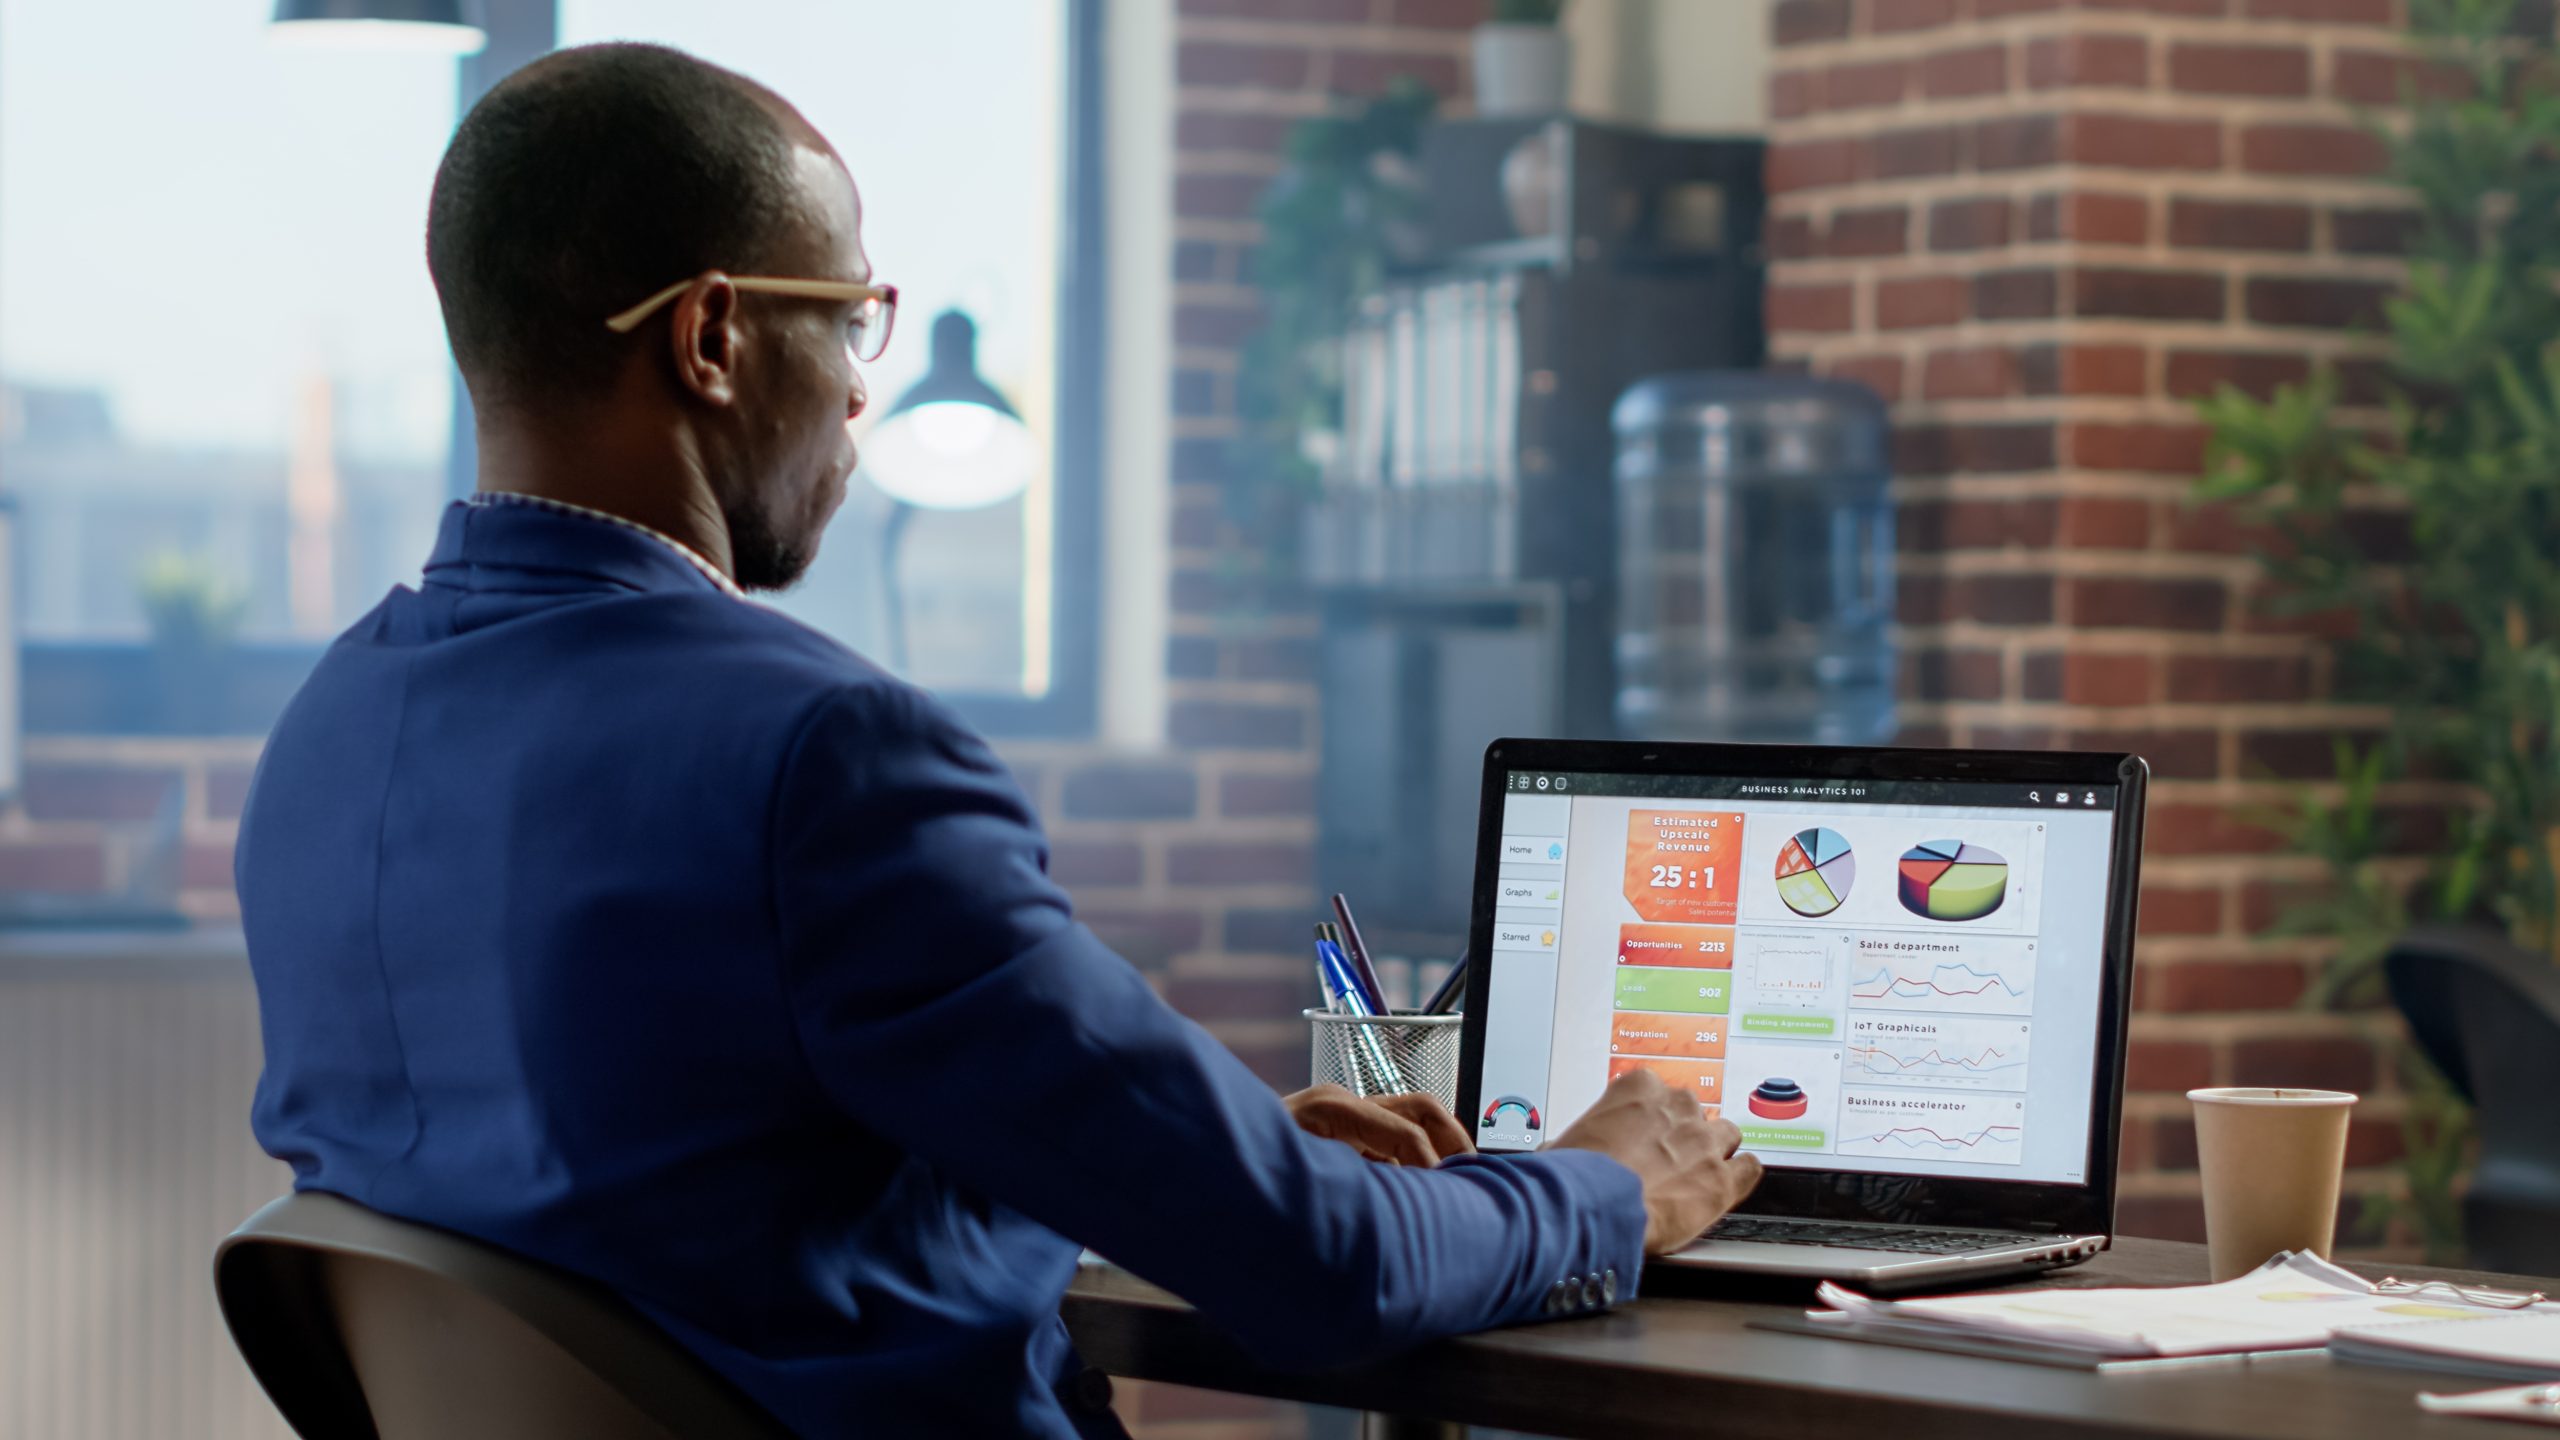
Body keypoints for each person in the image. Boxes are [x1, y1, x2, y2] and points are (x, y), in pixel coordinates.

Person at [234, 42, 1762, 1440]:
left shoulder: (333, 732)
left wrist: (1178, 1163)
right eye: (847, 319)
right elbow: (1326, 1277)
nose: (857, 388)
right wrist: (1600, 1187)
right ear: (710, 337)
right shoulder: (823, 756)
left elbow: (672, 1199)